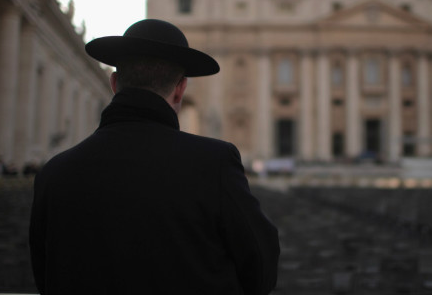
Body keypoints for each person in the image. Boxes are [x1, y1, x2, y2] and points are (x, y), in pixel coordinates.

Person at [29, 19, 280, 294]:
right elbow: (261, 267)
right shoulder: (214, 163)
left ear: (114, 83)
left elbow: (45, 276)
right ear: (180, 88)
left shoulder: (53, 173)